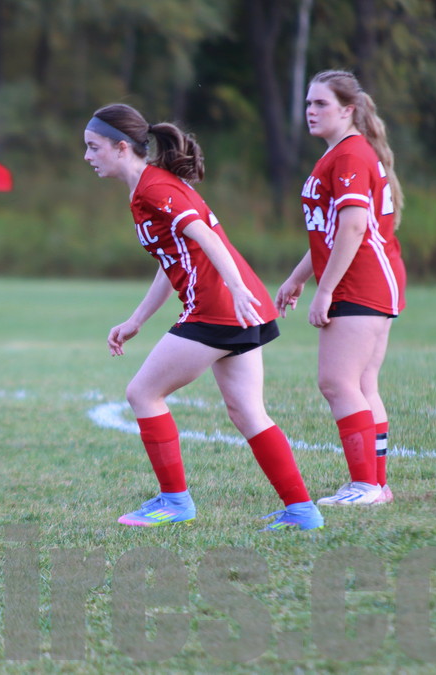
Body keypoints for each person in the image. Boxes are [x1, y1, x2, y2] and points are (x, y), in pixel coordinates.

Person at [84, 103, 323, 532]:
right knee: (247, 412)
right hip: (235, 306)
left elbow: (206, 236)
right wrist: (137, 319)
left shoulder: (154, 189)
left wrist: (235, 289)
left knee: (143, 393)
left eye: (93, 147)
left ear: (121, 148)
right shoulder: (151, 187)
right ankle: (302, 511)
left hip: (218, 307)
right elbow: (173, 258)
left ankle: (174, 502)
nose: (87, 156)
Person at [274, 70, 407, 506]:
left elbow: (352, 227)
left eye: (321, 104)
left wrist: (325, 289)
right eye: (308, 104)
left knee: (337, 382)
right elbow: (329, 231)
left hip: (360, 280)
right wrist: (299, 277)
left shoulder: (349, 155)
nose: (310, 112)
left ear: (348, 110)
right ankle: (376, 485)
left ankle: (365, 485)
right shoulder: (343, 153)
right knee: (363, 385)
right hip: (372, 277)